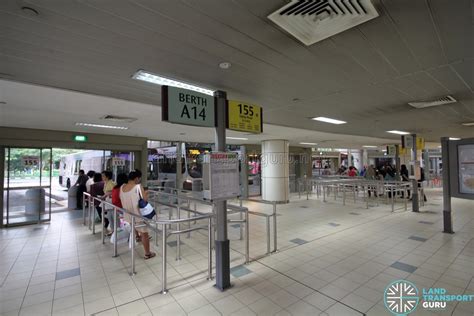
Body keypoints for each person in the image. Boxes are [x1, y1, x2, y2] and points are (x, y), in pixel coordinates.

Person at [120, 170, 156, 260]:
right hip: (138, 215)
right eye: (139, 178)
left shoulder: (122, 187)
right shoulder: (138, 187)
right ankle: (147, 253)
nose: (139, 180)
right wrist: (146, 193)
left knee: (134, 227)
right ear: (136, 178)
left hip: (128, 214)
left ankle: (137, 237)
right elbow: (145, 200)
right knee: (145, 233)